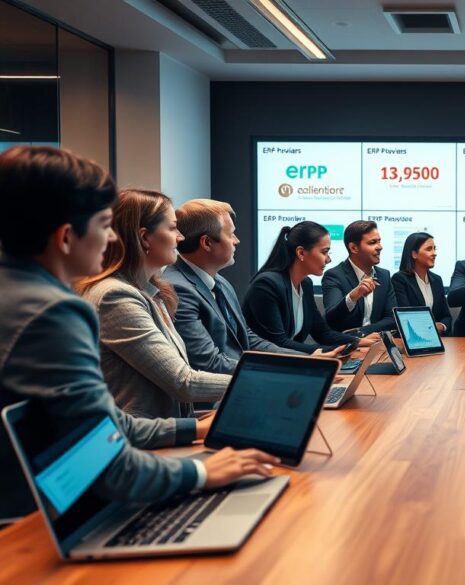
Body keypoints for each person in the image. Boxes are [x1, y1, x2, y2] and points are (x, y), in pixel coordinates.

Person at [0, 146, 276, 507]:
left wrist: (194, 428)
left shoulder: (21, 294)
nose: (113, 237)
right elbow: (111, 469)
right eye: (103, 226)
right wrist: (203, 473)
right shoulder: (54, 312)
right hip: (34, 518)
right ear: (66, 237)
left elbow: (110, 426)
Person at [78, 190, 232, 420]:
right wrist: (261, 382)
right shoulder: (115, 297)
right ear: (144, 237)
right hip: (141, 444)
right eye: (172, 228)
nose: (180, 237)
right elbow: (183, 382)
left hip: (165, 430)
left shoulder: (151, 292)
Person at [165, 200, 336, 375]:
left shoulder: (221, 283)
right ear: (207, 243)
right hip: (216, 396)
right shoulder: (179, 288)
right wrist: (286, 368)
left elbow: (248, 339)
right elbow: (209, 362)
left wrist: (306, 360)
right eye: (231, 234)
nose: (236, 241)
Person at [243, 221, 365, 353]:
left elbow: (322, 333)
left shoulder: (305, 284)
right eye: (324, 252)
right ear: (301, 253)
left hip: (292, 364)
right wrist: (331, 351)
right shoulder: (266, 285)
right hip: (267, 366)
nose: (328, 259)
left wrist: (357, 342)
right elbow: (278, 343)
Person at [322, 220, 395, 339]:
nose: (380, 247)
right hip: (346, 347)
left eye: (379, 241)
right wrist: (353, 296)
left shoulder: (384, 275)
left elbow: (391, 318)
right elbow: (331, 319)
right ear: (354, 248)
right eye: (372, 242)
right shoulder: (334, 276)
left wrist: (361, 333)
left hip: (376, 344)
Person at [391, 232, 452, 334]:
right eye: (429, 249)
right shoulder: (399, 279)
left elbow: (446, 316)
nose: (434, 253)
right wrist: (431, 327)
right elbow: (405, 316)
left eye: (434, 248)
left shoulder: (437, 280)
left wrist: (441, 326)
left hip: (439, 338)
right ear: (414, 254)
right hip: (413, 337)